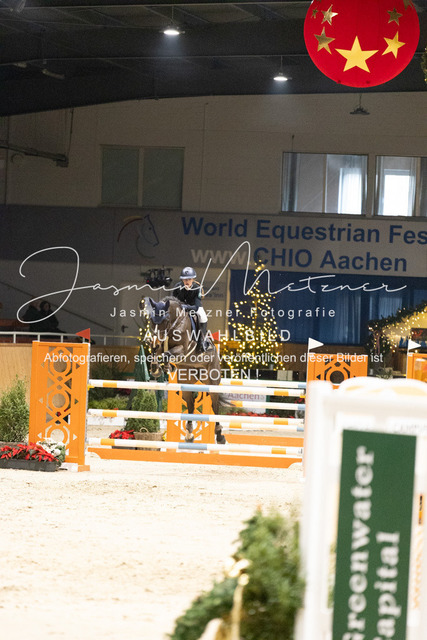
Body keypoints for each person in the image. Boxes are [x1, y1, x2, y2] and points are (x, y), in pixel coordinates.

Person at [172, 267, 212, 351]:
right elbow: (173, 300)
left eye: (189, 279)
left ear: (193, 279)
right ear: (182, 280)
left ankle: (202, 340)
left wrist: (187, 307)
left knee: (203, 317)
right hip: (180, 308)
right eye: (185, 279)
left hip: (194, 307)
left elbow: (197, 306)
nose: (187, 281)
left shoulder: (197, 288)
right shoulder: (177, 287)